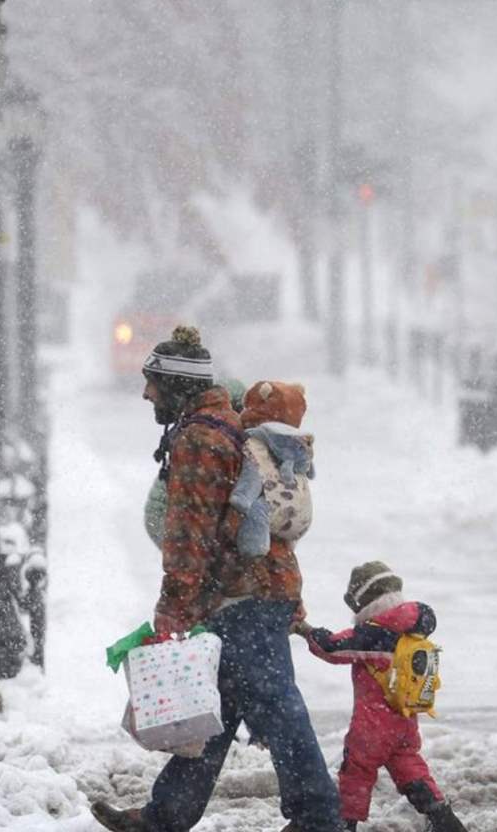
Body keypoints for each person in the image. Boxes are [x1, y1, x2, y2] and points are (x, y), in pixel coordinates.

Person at [92, 326, 344, 832]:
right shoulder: (221, 425)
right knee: (215, 708)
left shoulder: (200, 439)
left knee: (277, 709)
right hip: (252, 592)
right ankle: (167, 815)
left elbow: (190, 533)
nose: (146, 394)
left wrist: (174, 606)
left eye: (153, 384)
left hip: (245, 596)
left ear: (178, 386)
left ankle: (319, 818)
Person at [302, 562, 465, 832]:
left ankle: (345, 824)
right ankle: (444, 819)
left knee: (356, 772)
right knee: (411, 769)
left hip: (372, 725)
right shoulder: (414, 628)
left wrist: (307, 631)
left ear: (363, 601)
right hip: (405, 719)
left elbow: (330, 648)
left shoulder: (373, 634)